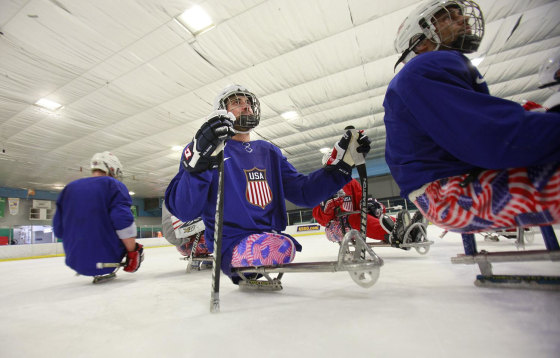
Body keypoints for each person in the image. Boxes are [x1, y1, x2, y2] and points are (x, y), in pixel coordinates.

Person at [384, 0, 560, 234]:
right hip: (450, 192)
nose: (464, 19)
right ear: (420, 42)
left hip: (444, 192)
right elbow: (492, 139)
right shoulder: (425, 67)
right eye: (449, 17)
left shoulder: (432, 69)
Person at [165, 84, 370, 284]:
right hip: (231, 244)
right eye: (236, 102)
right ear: (220, 111)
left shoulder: (268, 151)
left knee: (280, 245)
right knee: (279, 246)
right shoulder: (205, 150)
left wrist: (341, 166)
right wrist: (199, 164)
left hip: (270, 238)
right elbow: (184, 210)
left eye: (248, 102)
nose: (246, 106)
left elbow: (304, 192)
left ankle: (267, 246)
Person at [53, 151, 143, 282]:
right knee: (134, 244)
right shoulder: (113, 185)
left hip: (75, 260)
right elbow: (123, 222)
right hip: (107, 258)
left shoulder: (69, 188)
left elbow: (59, 230)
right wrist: (133, 251)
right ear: (112, 169)